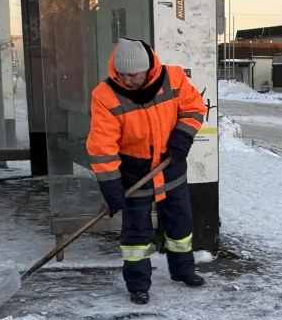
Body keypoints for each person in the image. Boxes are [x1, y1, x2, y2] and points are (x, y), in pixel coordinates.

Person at [87, 38, 208, 305]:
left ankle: (183, 270)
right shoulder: (104, 95)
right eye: (121, 74)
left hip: (170, 166)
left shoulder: (173, 78)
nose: (126, 80)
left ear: (148, 69)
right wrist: (111, 184)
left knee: (180, 225)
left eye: (133, 75)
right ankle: (138, 284)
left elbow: (194, 107)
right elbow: (102, 144)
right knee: (136, 236)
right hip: (135, 172)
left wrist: (182, 137)